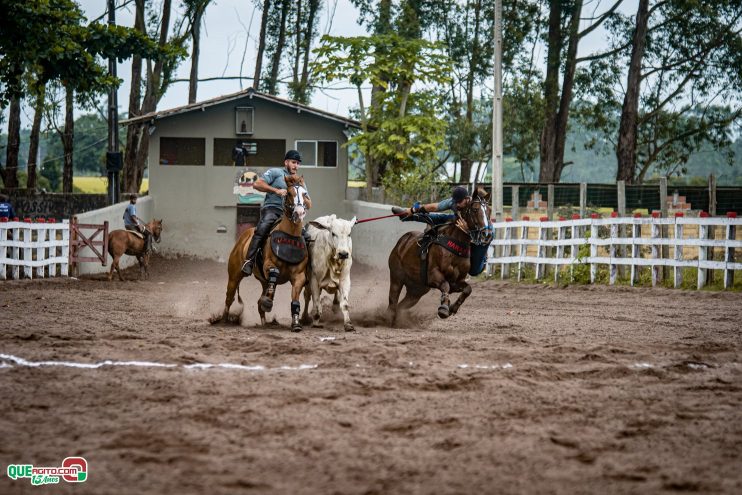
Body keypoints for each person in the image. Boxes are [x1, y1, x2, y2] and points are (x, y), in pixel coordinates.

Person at [391, 186, 488, 276]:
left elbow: (482, 230)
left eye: (460, 201)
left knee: (476, 256)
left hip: (475, 230)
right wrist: (413, 209)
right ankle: (404, 215)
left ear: (467, 199)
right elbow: (435, 207)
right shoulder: (453, 203)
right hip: (458, 221)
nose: (457, 204)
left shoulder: (476, 207)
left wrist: (467, 230)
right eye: (456, 201)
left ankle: (482, 261)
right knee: (434, 217)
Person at [241, 149, 311, 275]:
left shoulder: (300, 181)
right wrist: (275, 190)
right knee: (262, 228)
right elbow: (257, 184)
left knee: (307, 237)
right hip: (272, 209)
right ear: (286, 162)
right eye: (293, 162)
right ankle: (249, 261)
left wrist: (301, 198)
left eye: (298, 163)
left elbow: (309, 204)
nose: (296, 166)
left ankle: (307, 269)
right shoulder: (275, 172)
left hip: (291, 215)